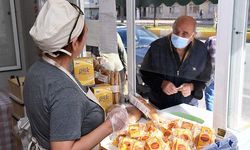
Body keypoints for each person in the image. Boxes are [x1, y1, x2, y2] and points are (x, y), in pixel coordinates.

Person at [24, 0, 128, 149]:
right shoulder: (66, 92)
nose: (87, 34)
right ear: (74, 43)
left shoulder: (37, 69)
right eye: (85, 31)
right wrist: (110, 125)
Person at [140, 16, 212, 109]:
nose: (179, 36)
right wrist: (161, 83)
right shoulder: (157, 47)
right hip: (158, 105)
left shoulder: (201, 51)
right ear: (172, 29)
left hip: (189, 106)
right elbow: (145, 73)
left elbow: (205, 78)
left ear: (193, 35)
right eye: (176, 31)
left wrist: (192, 87)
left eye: (185, 33)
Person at [204, 36, 216, 111]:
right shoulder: (231, 40)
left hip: (211, 73)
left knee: (210, 96)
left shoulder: (211, 39)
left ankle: (211, 115)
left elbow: (203, 54)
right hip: (224, 75)